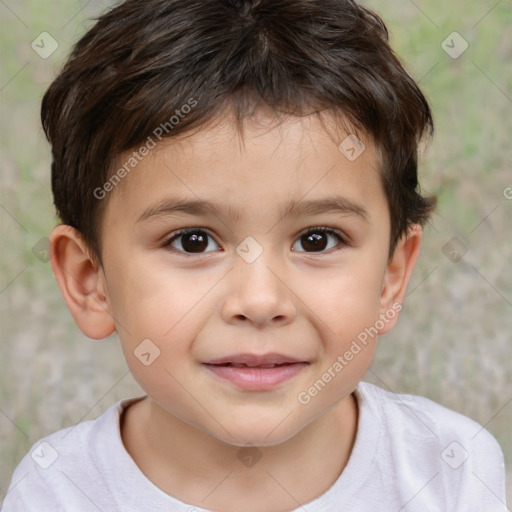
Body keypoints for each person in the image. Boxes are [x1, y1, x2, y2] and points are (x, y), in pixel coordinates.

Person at [3, 0, 507, 510]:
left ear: (390, 278)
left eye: (318, 239)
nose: (261, 300)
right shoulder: (58, 491)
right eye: (192, 240)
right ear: (92, 281)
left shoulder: (452, 470)